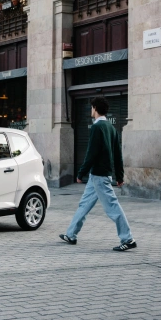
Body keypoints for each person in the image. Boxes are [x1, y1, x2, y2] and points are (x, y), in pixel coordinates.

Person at [59, 96, 136, 252]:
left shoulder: (96, 128)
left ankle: (127, 239)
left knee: (112, 207)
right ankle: (71, 234)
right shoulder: (111, 128)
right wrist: (119, 176)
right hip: (98, 176)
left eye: (91, 108)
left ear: (94, 108)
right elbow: (117, 154)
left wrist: (81, 173)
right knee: (84, 204)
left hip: (99, 176)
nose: (90, 110)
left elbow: (91, 154)